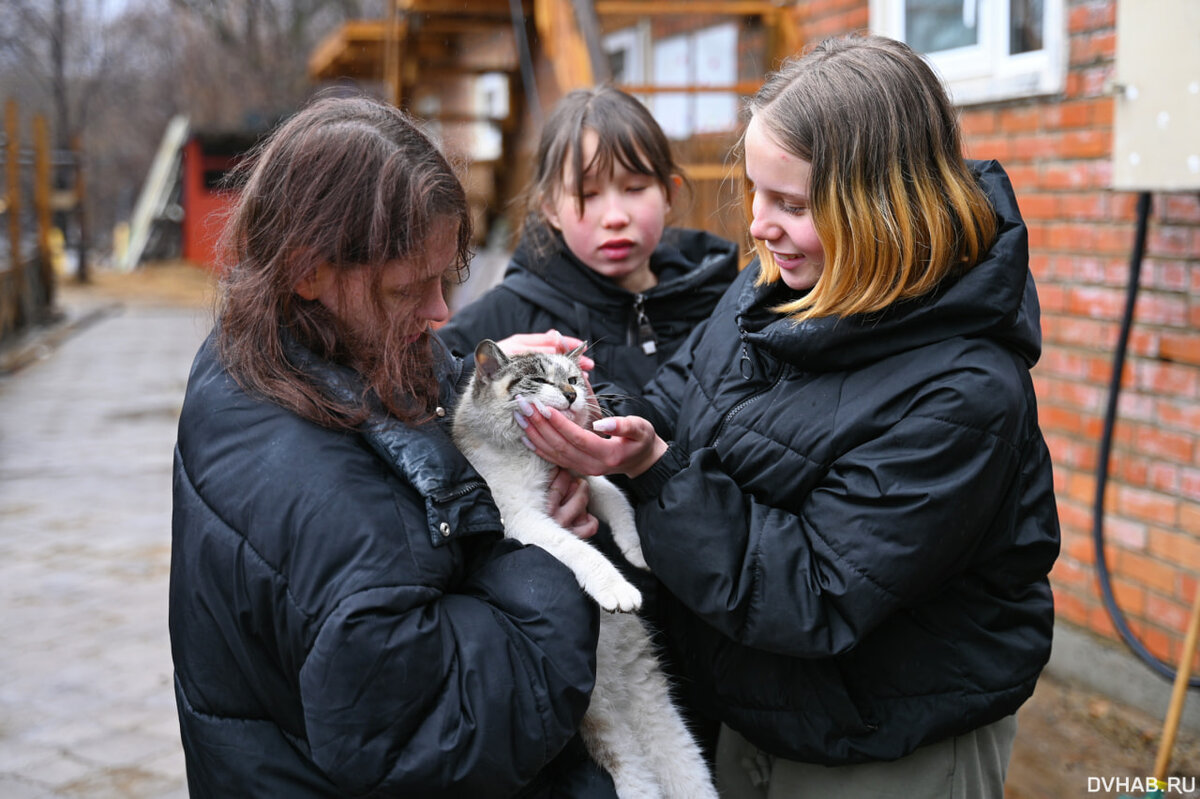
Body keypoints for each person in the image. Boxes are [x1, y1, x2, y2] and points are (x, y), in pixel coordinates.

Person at [516, 34, 1060, 799]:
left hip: (885, 745)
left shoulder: (963, 393)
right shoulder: (776, 284)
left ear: (881, 205)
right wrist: (595, 430)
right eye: (756, 194)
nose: (759, 227)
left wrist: (654, 470)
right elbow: (675, 398)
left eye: (793, 204)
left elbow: (815, 590)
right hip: (761, 713)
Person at [169, 94, 618, 797]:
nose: (441, 311)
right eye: (410, 288)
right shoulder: (327, 505)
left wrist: (481, 377)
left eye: (448, 279)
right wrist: (547, 555)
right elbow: (446, 731)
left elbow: (381, 419)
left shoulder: (255, 354)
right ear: (308, 269)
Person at [437, 85, 740, 395]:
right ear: (551, 209)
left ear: (669, 194)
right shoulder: (510, 315)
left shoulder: (721, 302)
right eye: (588, 194)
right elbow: (418, 385)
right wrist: (481, 376)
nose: (614, 217)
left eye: (634, 188)